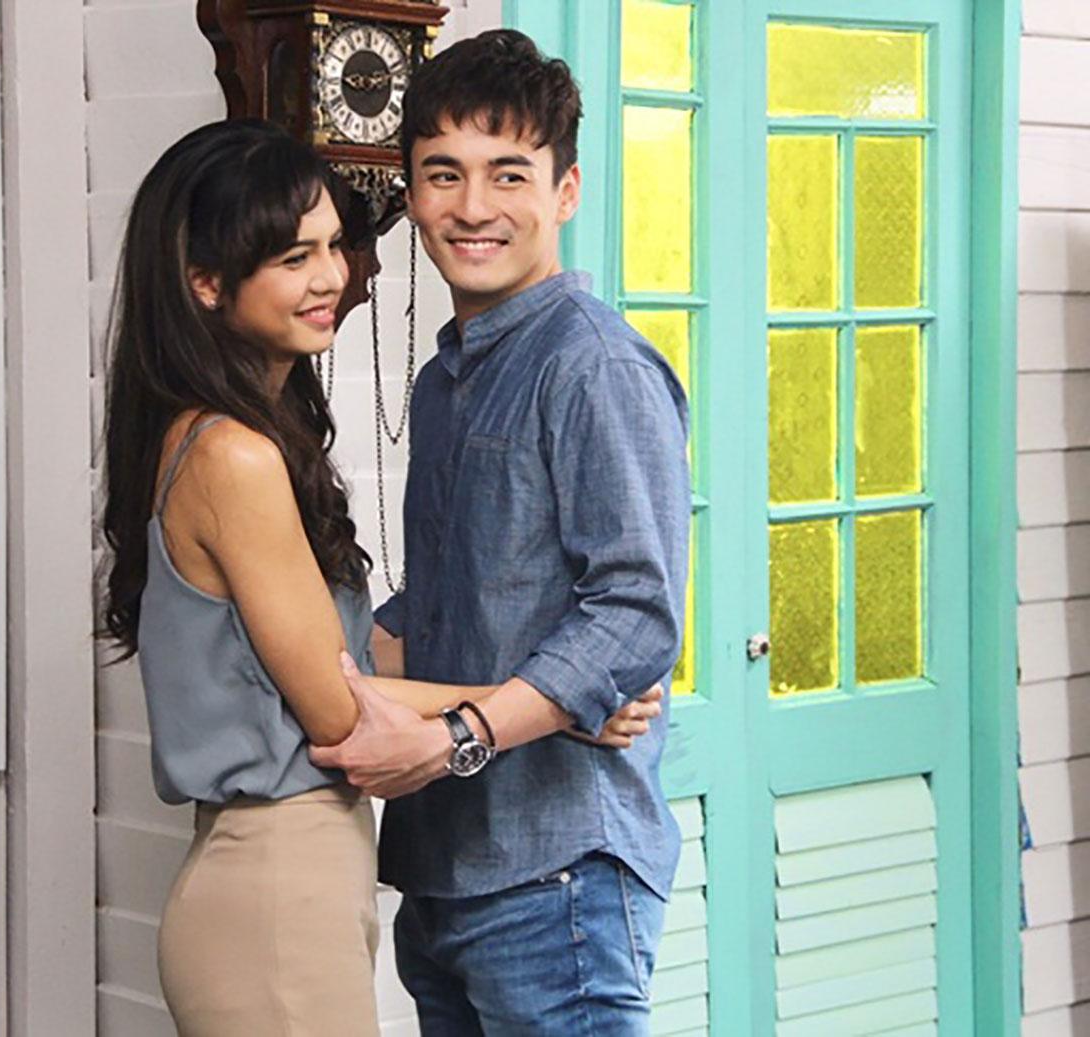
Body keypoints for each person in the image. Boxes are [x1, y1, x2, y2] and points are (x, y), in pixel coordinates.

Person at [98, 118, 658, 1036]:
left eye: (334, 246)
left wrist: (555, 690)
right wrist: (561, 704)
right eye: (294, 257)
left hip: (296, 879)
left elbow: (354, 653)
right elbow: (338, 707)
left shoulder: (236, 437)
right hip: (274, 886)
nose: (332, 277)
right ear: (206, 282)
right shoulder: (232, 455)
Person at [310, 30, 691, 1035]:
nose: (472, 207)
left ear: (565, 192)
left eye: (508, 174)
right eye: (444, 174)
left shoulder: (592, 365)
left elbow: (635, 615)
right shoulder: (445, 380)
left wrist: (459, 735)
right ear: (410, 194)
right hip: (441, 874)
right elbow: (450, 605)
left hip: (556, 873)